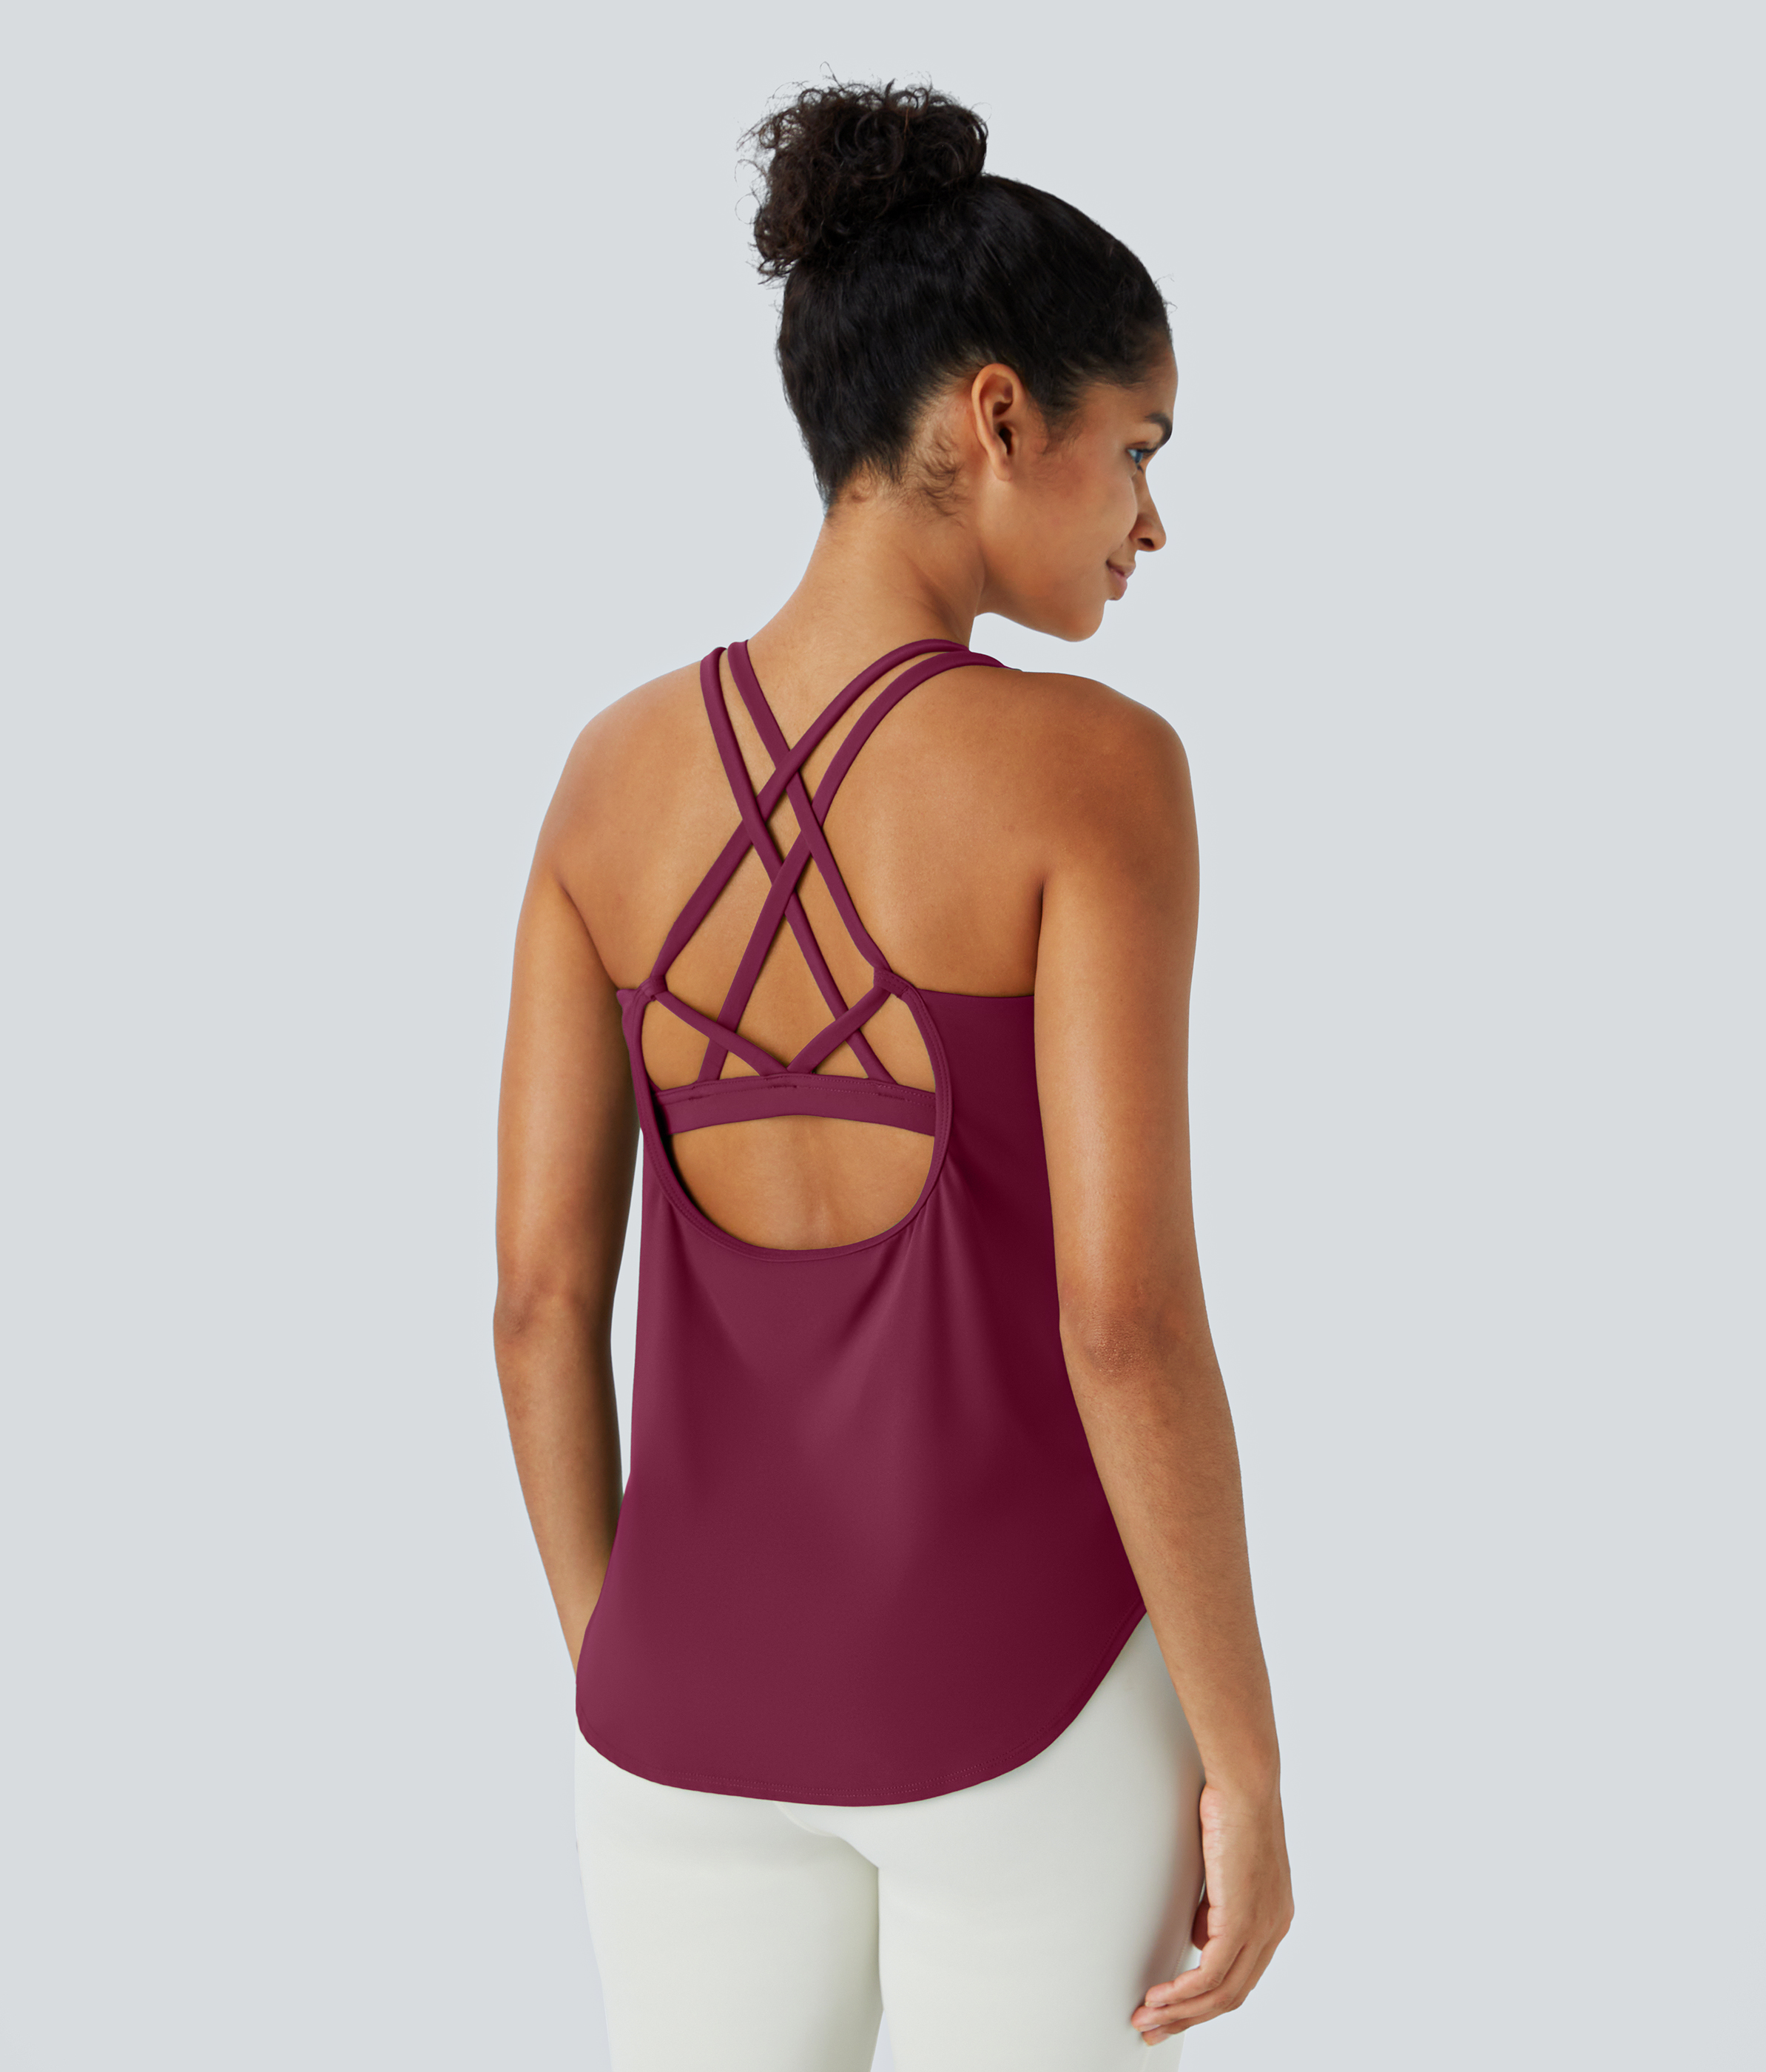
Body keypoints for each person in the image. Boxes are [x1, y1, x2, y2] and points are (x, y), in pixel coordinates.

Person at [493, 80, 1293, 2072]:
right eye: (1141, 448)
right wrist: (1248, 1760)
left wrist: (625, 1669)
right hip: (1022, 1715)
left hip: (678, 1735)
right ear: (1001, 416)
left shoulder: (607, 776)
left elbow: (535, 1303)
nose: (1153, 520)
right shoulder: (1096, 773)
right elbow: (1125, 1319)